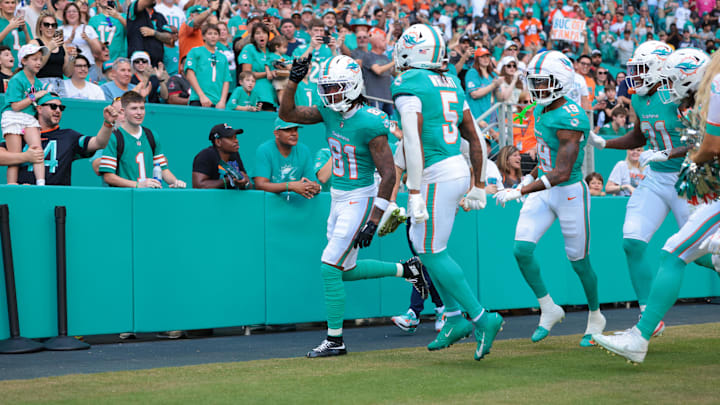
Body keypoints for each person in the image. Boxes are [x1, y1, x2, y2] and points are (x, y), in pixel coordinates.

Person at [279, 54, 429, 358]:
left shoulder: (370, 121)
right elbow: (288, 112)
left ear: (353, 86)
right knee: (342, 270)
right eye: (328, 87)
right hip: (338, 198)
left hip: (360, 197)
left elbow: (388, 175)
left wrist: (374, 219)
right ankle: (408, 269)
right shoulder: (329, 111)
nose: (330, 94)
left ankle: (335, 340)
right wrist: (293, 80)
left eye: (337, 87)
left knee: (328, 265)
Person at [592, 48, 720, 364]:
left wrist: (670, 154)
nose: (669, 87)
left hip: (691, 181)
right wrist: (605, 142)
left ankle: (641, 335)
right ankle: (647, 322)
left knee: (687, 250)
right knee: (659, 246)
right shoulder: (647, 98)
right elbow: (643, 135)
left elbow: (706, 143)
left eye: (674, 79)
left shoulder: (701, 92)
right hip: (667, 180)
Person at [392, 24, 504, 361]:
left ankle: (481, 318)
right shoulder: (451, 81)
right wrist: (479, 183)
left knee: (430, 248)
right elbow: (476, 137)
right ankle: (454, 317)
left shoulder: (408, 83)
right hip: (454, 167)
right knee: (423, 243)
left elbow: (412, 140)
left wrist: (412, 190)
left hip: (436, 173)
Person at [495, 50, 606, 347]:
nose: (536, 88)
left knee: (579, 262)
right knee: (521, 249)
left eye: (542, 82)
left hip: (568, 191)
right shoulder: (540, 106)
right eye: (535, 81)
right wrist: (528, 178)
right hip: (545, 187)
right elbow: (544, 158)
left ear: (561, 82)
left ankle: (596, 316)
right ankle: (548, 307)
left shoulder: (571, 117)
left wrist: (519, 189)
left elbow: (561, 172)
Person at [8, 92, 119, 185]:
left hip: (57, 202)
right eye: (53, 106)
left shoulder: (69, 136)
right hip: (23, 196)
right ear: (39, 109)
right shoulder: (20, 134)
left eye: (61, 108)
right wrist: (25, 157)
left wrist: (108, 123)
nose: (58, 110)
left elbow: (99, 143)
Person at [98, 90, 186, 188]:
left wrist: (175, 182)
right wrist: (137, 185)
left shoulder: (151, 135)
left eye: (142, 108)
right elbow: (108, 177)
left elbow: (163, 169)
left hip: (148, 197)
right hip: (124, 198)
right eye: (134, 108)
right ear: (123, 111)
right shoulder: (113, 137)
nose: (139, 113)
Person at [2, 44, 49, 185]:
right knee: (15, 157)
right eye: (34, 59)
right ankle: (12, 187)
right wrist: (34, 97)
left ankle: (41, 184)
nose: (39, 63)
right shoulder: (16, 80)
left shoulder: (39, 82)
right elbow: (15, 106)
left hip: (29, 118)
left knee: (38, 151)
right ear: (23, 61)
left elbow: (36, 106)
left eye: (40, 59)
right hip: (13, 117)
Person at [252, 117, 320, 199]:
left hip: (295, 205)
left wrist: (315, 187)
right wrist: (289, 186)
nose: (294, 133)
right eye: (288, 130)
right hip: (265, 204)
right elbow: (260, 185)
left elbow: (312, 182)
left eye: (295, 130)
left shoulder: (303, 150)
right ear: (276, 133)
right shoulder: (264, 150)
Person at [192, 123, 251, 189]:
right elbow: (198, 185)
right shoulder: (206, 155)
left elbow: (247, 180)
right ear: (218, 142)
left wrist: (244, 182)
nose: (236, 141)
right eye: (231, 138)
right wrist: (227, 180)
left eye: (235, 137)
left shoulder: (234, 154)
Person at [185, 24, 230, 108]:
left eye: (215, 34)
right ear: (203, 36)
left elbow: (226, 80)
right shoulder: (195, 51)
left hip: (217, 103)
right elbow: (190, 74)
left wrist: (222, 101)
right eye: (209, 34)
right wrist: (201, 96)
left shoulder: (223, 57)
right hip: (198, 100)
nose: (213, 36)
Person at [31, 11, 73, 95]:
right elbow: (36, 68)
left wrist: (72, 58)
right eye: (46, 24)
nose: (50, 28)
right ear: (40, 27)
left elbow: (67, 73)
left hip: (59, 85)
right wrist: (49, 48)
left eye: (53, 25)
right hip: (41, 84)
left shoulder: (62, 45)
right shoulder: (35, 43)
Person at [239, 23, 277, 108]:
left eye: (264, 33)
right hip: (257, 94)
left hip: (272, 94)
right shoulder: (249, 48)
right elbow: (246, 74)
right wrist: (267, 73)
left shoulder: (271, 50)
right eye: (257, 33)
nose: (261, 36)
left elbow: (282, 45)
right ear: (253, 37)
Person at [126, 0, 173, 67]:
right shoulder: (133, 9)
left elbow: (169, 38)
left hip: (157, 66)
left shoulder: (159, 16)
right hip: (138, 63)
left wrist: (154, 33)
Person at [62, 3, 102, 80]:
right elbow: (56, 48)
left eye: (74, 11)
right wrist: (69, 40)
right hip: (69, 67)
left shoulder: (88, 28)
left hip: (88, 66)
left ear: (79, 14)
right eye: (68, 12)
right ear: (64, 14)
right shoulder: (59, 29)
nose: (71, 14)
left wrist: (88, 39)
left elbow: (98, 51)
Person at [361, 27, 394, 116]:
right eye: (383, 40)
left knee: (391, 124)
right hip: (375, 98)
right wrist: (394, 62)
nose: (386, 43)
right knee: (377, 122)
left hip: (388, 98)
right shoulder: (368, 56)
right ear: (376, 43)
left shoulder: (385, 57)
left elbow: (392, 73)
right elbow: (378, 70)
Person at [465, 47, 501, 124]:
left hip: (494, 111)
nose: (486, 59)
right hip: (479, 114)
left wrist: (498, 87)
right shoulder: (472, 73)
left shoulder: (493, 74)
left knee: (494, 134)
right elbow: (474, 94)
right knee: (485, 135)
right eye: (482, 57)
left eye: (487, 56)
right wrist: (493, 85)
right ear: (477, 59)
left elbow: (500, 98)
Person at [0, 0, 31, 70]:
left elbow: (31, 45)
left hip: (23, 67)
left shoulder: (22, 22)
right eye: (7, 3)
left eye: (13, 2)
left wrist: (26, 31)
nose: (10, 5)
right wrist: (9, 27)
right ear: (0, 5)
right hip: (4, 68)